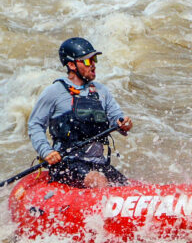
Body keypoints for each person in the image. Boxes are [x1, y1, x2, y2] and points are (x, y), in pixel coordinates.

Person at [28, 37, 133, 188]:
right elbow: (35, 125)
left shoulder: (101, 91)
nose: (93, 65)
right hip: (66, 163)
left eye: (94, 59)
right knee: (98, 181)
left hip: (98, 162)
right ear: (71, 64)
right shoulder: (54, 92)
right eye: (88, 61)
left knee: (126, 187)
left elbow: (117, 118)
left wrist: (124, 124)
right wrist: (46, 151)